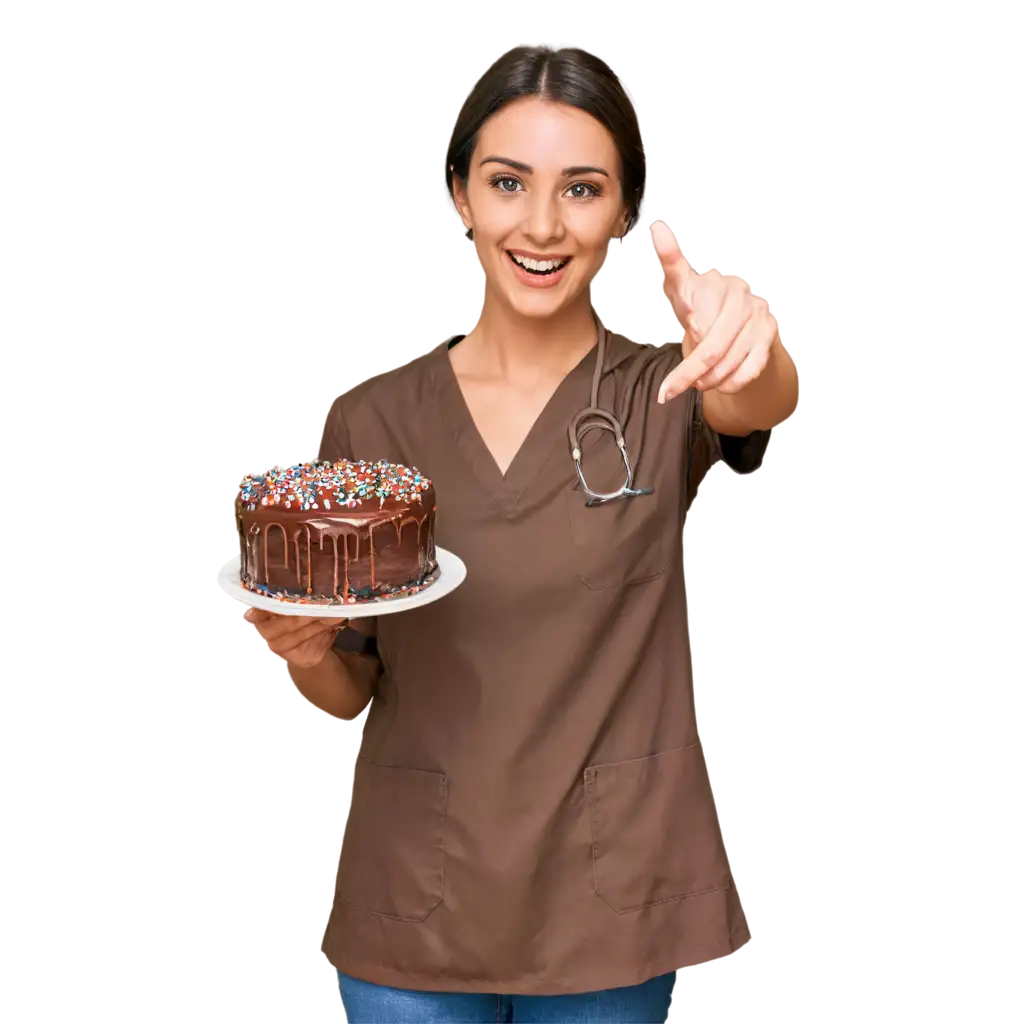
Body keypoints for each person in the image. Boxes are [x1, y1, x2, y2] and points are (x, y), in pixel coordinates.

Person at [241, 39, 796, 1024]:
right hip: (414, 908)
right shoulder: (373, 422)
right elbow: (349, 694)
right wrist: (297, 655)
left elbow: (753, 403)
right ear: (458, 194)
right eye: (507, 182)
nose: (540, 224)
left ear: (622, 210)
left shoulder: (661, 388)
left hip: (605, 912)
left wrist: (748, 342)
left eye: (581, 189)